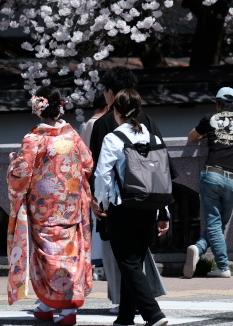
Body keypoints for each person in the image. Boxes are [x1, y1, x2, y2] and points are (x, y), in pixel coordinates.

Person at [7, 86, 93, 326]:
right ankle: (47, 304)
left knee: (46, 256)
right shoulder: (72, 136)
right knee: (68, 254)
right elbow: (87, 163)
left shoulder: (34, 139)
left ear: (38, 109)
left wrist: (13, 164)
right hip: (71, 207)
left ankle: (65, 308)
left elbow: (21, 173)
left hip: (43, 209)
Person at [87, 67, 167, 313]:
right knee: (136, 257)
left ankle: (144, 309)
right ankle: (125, 314)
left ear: (111, 94)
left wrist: (96, 199)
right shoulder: (148, 123)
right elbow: (162, 168)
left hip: (118, 203)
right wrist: (163, 211)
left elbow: (98, 169)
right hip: (150, 200)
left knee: (124, 259)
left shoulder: (104, 126)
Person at [183, 87, 233, 279]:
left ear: (218, 104)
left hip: (212, 175)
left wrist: (207, 134)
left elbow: (191, 138)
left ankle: (222, 266)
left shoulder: (209, 118)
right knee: (219, 223)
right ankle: (199, 249)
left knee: (214, 223)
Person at [77, 92, 108, 282]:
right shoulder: (98, 124)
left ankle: (97, 264)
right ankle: (99, 264)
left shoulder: (85, 124)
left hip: (88, 177)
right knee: (98, 222)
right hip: (97, 177)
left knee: (94, 222)